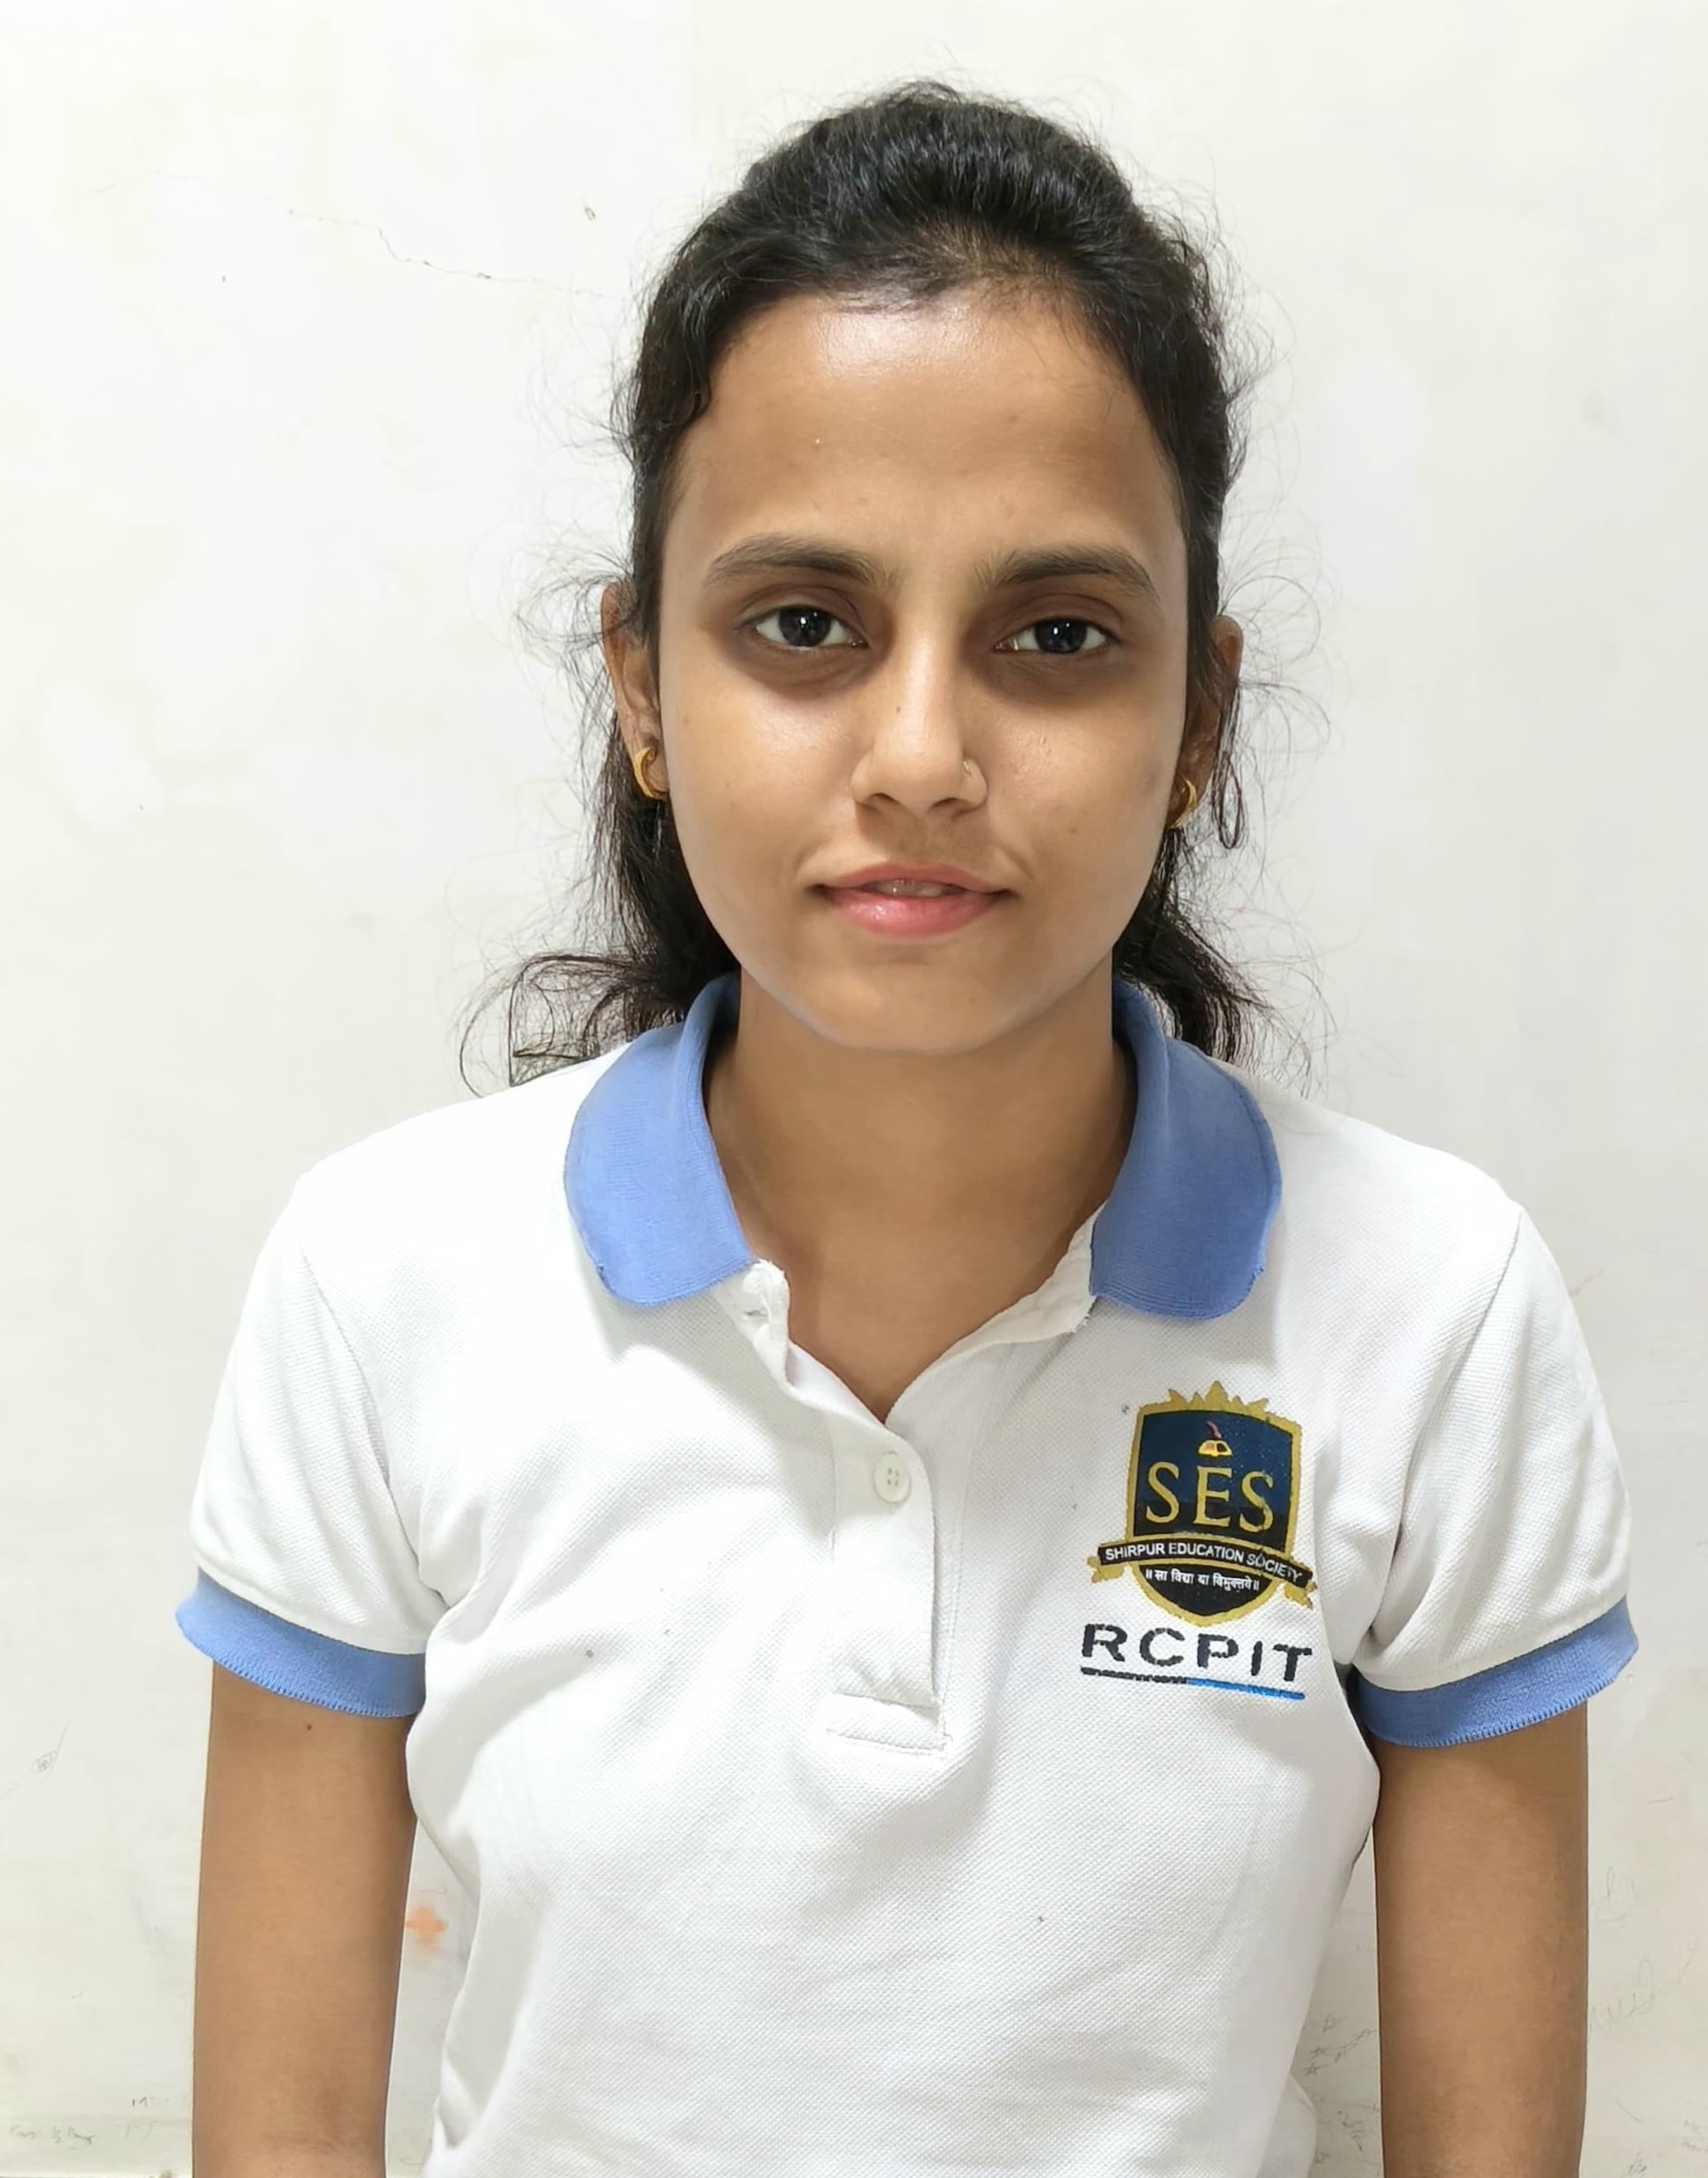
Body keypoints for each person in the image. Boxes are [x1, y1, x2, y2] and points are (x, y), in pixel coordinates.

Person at [175, 78, 1637, 2178]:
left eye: (1057, 635)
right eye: (805, 625)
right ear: (642, 686)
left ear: (1198, 713)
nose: (925, 753)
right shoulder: (385, 1280)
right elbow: (281, 2138)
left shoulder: (1434, 1304)